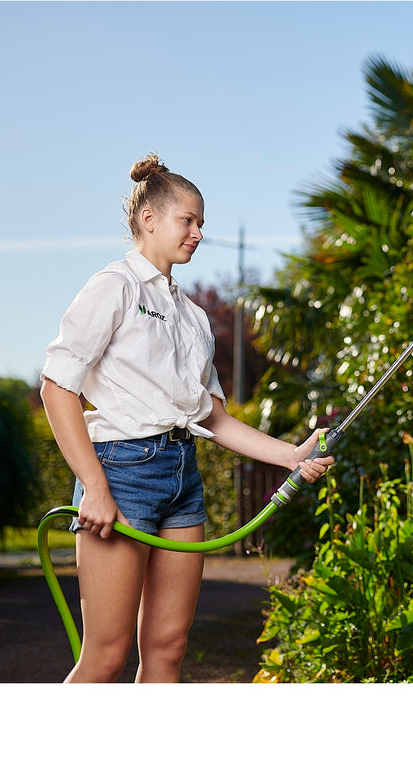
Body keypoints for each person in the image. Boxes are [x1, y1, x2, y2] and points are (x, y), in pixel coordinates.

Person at [40, 153, 333, 683]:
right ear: (149, 219)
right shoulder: (115, 287)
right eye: (188, 221)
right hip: (121, 473)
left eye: (201, 224)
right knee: (106, 656)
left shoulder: (193, 317)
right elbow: (57, 389)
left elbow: (214, 419)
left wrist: (291, 455)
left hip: (182, 477)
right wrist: (95, 487)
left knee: (169, 648)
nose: (198, 233)